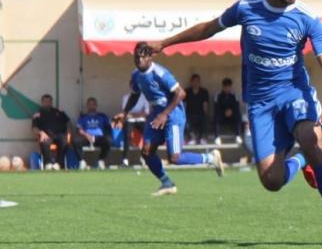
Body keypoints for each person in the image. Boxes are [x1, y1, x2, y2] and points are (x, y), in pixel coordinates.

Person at [150, 0, 322, 245]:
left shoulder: (307, 18)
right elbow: (209, 28)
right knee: (272, 181)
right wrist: (165, 43)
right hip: (260, 104)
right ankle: (299, 161)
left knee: (311, 140)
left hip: (294, 94)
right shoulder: (246, 8)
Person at [121, 43, 225, 196]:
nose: (139, 60)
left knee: (175, 158)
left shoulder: (160, 73)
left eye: (142, 57)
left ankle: (210, 158)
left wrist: (165, 114)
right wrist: (124, 113)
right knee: (146, 151)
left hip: (173, 115)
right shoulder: (136, 75)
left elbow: (181, 93)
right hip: (157, 114)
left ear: (150, 57)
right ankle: (167, 183)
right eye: (137, 57)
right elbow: (135, 94)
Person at [31, 94, 75, 170]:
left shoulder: (58, 112)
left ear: (51, 102)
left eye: (49, 101)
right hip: (47, 136)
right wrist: (41, 133)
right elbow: (34, 128)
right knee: (45, 142)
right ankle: (47, 164)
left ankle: (59, 163)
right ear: (42, 102)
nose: (47, 103)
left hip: (60, 135)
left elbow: (68, 122)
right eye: (45, 101)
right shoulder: (38, 114)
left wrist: (69, 132)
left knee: (65, 141)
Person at [75, 97, 113, 169]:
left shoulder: (102, 116)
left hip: (99, 138)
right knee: (76, 141)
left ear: (96, 105)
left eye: (93, 104)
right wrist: (87, 135)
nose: (91, 106)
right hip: (87, 137)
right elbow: (79, 129)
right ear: (87, 105)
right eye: (90, 104)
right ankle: (82, 161)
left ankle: (101, 160)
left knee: (109, 140)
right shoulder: (83, 117)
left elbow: (109, 127)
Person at [184, 74, 211, 144]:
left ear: (199, 82)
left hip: (200, 114)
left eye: (197, 81)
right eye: (194, 81)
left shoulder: (204, 92)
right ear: (191, 82)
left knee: (205, 119)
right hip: (190, 114)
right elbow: (184, 105)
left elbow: (205, 105)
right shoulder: (187, 91)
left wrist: (206, 115)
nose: (195, 83)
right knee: (185, 120)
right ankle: (192, 138)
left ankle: (203, 138)